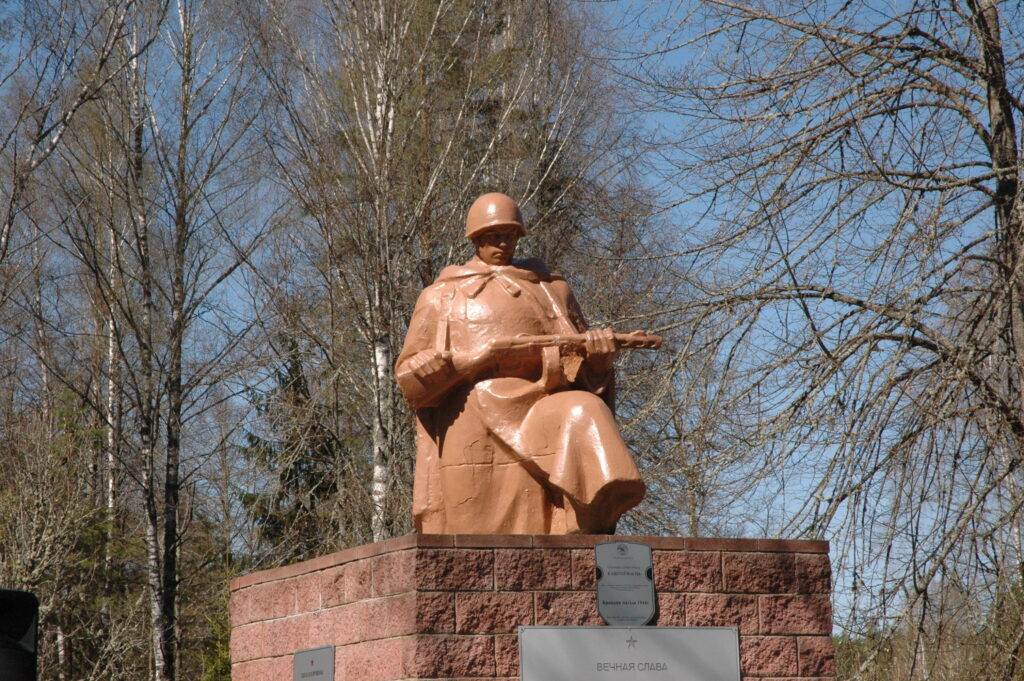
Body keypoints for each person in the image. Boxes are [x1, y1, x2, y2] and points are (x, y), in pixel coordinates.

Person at [395, 193, 646, 534]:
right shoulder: (441, 295)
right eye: (493, 235)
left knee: (584, 409)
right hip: (470, 415)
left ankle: (589, 525)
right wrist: (469, 362)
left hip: (540, 406)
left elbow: (577, 362)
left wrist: (598, 363)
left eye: (510, 235)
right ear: (475, 239)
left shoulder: (550, 289)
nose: (503, 243)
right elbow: (409, 380)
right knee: (473, 537)